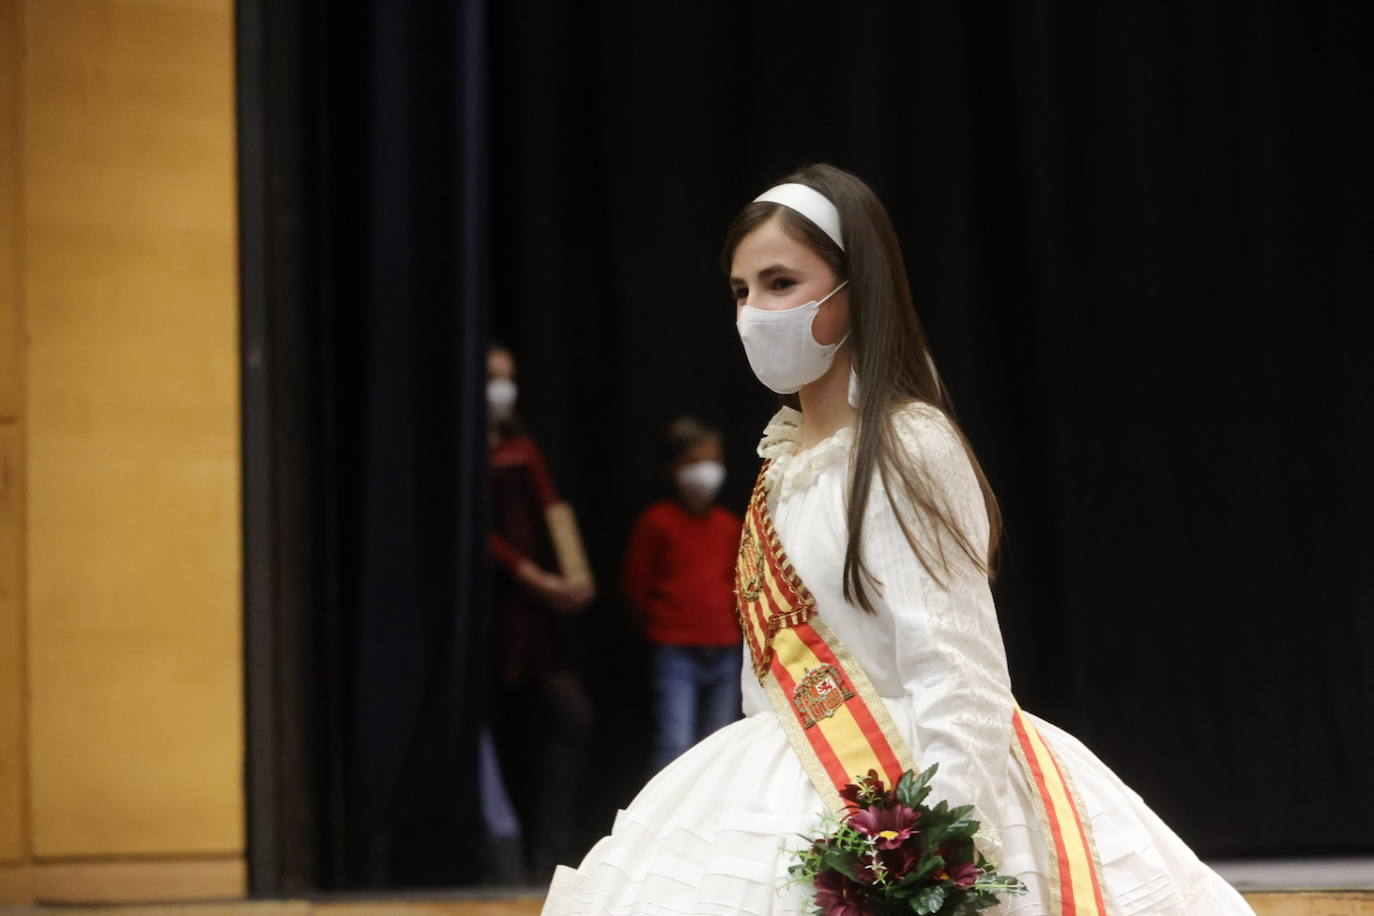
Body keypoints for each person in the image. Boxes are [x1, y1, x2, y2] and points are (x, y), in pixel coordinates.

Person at [540, 165, 1253, 914]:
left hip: (910, 778)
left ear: (857, 289)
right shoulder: (780, 464)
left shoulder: (906, 445)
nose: (754, 311)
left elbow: (957, 665)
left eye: (781, 282)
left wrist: (935, 846)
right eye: (741, 290)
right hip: (773, 778)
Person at [485, 344, 595, 880]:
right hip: (494, 608)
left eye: (509, 378)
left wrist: (575, 576)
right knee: (502, 724)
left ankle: (549, 848)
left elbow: (553, 507)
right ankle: (502, 852)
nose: (501, 389)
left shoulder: (521, 443)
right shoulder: (464, 451)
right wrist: (536, 579)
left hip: (538, 616)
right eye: (491, 378)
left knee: (570, 717)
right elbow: (483, 537)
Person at [623, 417, 743, 773]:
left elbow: (738, 584)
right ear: (674, 468)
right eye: (694, 463)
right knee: (674, 746)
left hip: (724, 651)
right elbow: (636, 587)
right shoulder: (657, 522)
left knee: (719, 746)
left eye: (712, 461)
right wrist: (663, 625)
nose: (705, 472)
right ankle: (661, 827)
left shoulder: (728, 524)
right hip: (677, 654)